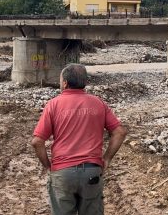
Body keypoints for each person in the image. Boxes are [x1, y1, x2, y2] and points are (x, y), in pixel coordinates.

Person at [32, 63, 127, 215]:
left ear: (65, 83)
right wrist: (107, 159)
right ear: (85, 83)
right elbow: (120, 132)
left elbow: (37, 142)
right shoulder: (98, 103)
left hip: (62, 173)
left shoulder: (53, 105)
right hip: (92, 171)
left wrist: (47, 166)